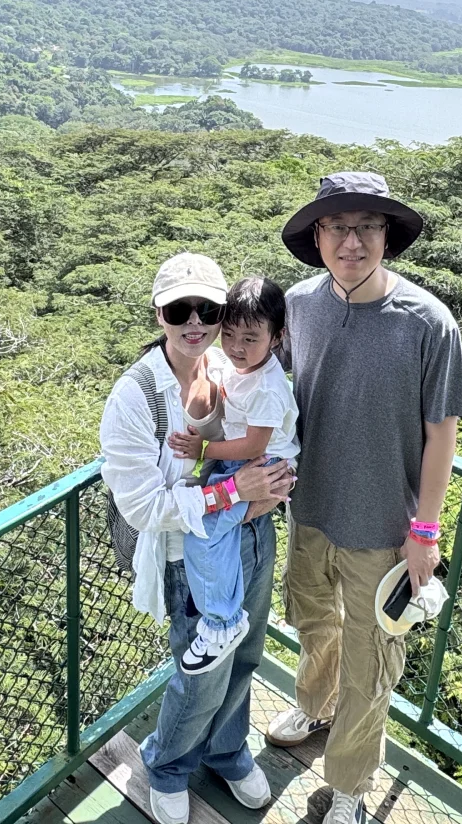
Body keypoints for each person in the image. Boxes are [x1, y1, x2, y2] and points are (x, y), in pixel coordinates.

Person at [267, 173, 462, 824]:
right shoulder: (297, 305)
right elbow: (263, 387)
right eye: (337, 227)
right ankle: (314, 705)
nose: (351, 241)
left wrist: (427, 532)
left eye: (366, 227)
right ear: (317, 237)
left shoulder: (428, 321)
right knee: (313, 625)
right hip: (309, 512)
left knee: (370, 661)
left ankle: (350, 788)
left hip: (386, 526)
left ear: (386, 236)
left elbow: (443, 432)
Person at [99, 252, 295, 824]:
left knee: (246, 655)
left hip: (253, 535)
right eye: (178, 308)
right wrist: (239, 493)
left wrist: (262, 491)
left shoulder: (225, 364)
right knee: (201, 673)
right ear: (157, 313)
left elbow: (262, 436)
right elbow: (141, 506)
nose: (194, 321)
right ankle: (166, 766)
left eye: (206, 309)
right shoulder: (134, 397)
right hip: (192, 551)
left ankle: (227, 749)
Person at [167, 277, 300, 676]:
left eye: (250, 338)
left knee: (205, 532)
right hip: (249, 466)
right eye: (227, 335)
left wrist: (203, 450)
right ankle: (216, 604)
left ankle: (221, 621)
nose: (236, 347)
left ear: (277, 337)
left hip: (259, 466)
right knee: (216, 533)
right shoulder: (246, 368)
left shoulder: (268, 389)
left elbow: (252, 447)